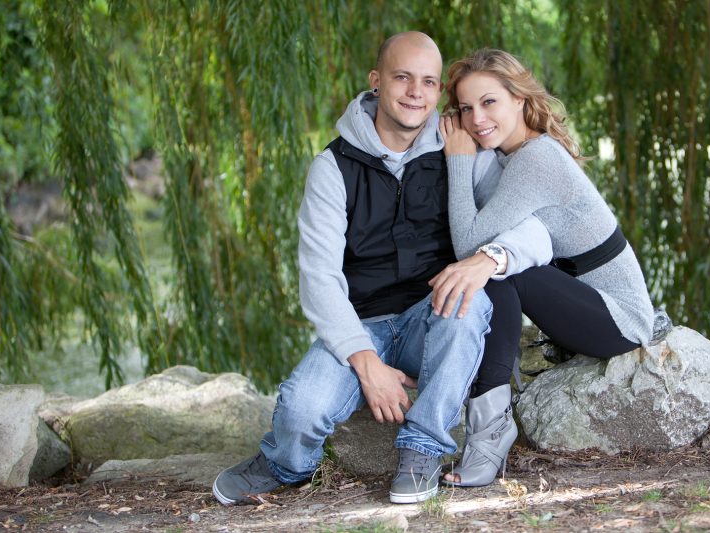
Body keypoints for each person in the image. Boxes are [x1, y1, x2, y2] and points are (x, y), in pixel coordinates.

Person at [212, 33, 542, 506]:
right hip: (360, 324)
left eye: (428, 82)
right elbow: (319, 279)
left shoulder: (460, 149)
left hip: (433, 315)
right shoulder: (332, 167)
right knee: (302, 412)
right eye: (402, 77)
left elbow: (533, 228)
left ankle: (423, 448)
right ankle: (284, 463)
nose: (415, 92)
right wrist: (367, 365)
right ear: (376, 81)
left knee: (470, 302)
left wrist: (489, 259)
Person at [430, 48, 655, 487]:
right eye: (465, 108)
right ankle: (489, 424)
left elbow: (470, 243)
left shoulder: (537, 159)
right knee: (495, 267)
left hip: (620, 320)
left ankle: (491, 430)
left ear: (519, 98)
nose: (476, 120)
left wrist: (457, 159)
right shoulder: (511, 153)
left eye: (489, 102)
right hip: (587, 306)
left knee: (497, 269)